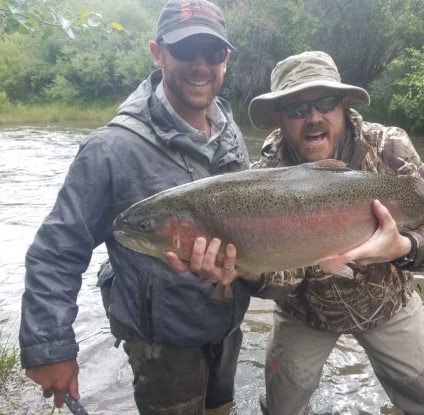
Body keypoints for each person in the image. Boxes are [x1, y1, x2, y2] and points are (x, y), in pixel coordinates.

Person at [171, 51, 424, 414]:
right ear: (279, 119)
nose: (313, 118)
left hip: (385, 305)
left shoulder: (388, 148)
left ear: (343, 105)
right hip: (305, 313)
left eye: (325, 103)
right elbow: (285, 278)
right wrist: (247, 269)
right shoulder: (263, 177)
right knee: (281, 410)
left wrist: (403, 246)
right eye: (297, 109)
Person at [19, 1, 254, 414]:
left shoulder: (229, 133)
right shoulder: (109, 150)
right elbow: (57, 252)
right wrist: (50, 348)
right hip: (161, 345)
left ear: (226, 60)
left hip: (225, 326)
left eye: (212, 53)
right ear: (157, 52)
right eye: (185, 50)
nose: (200, 65)